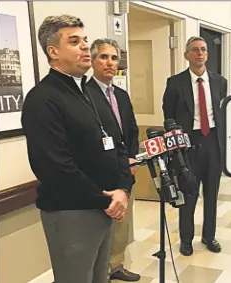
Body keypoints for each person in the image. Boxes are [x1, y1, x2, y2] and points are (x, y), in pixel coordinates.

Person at [21, 15, 131, 283]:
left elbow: (116, 143)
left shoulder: (89, 93)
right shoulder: (43, 99)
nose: (85, 47)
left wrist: (123, 188)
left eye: (84, 40)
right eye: (74, 41)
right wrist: (106, 200)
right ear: (53, 52)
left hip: (103, 208)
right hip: (72, 212)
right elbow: (56, 167)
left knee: (99, 278)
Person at [162, 36, 227, 256]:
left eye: (203, 50)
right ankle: (186, 239)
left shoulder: (219, 82)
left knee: (211, 195)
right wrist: (175, 148)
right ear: (186, 55)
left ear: (207, 54)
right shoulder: (175, 83)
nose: (200, 54)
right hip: (188, 146)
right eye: (195, 50)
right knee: (188, 195)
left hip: (213, 144)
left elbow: (222, 113)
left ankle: (209, 236)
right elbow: (168, 116)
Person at [87, 38, 140, 282]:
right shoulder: (85, 94)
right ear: (93, 60)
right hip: (101, 172)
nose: (110, 63)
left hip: (125, 168)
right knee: (104, 223)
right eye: (103, 57)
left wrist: (132, 158)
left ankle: (116, 265)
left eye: (114, 58)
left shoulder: (121, 94)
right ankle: (101, 271)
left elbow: (130, 128)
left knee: (123, 222)